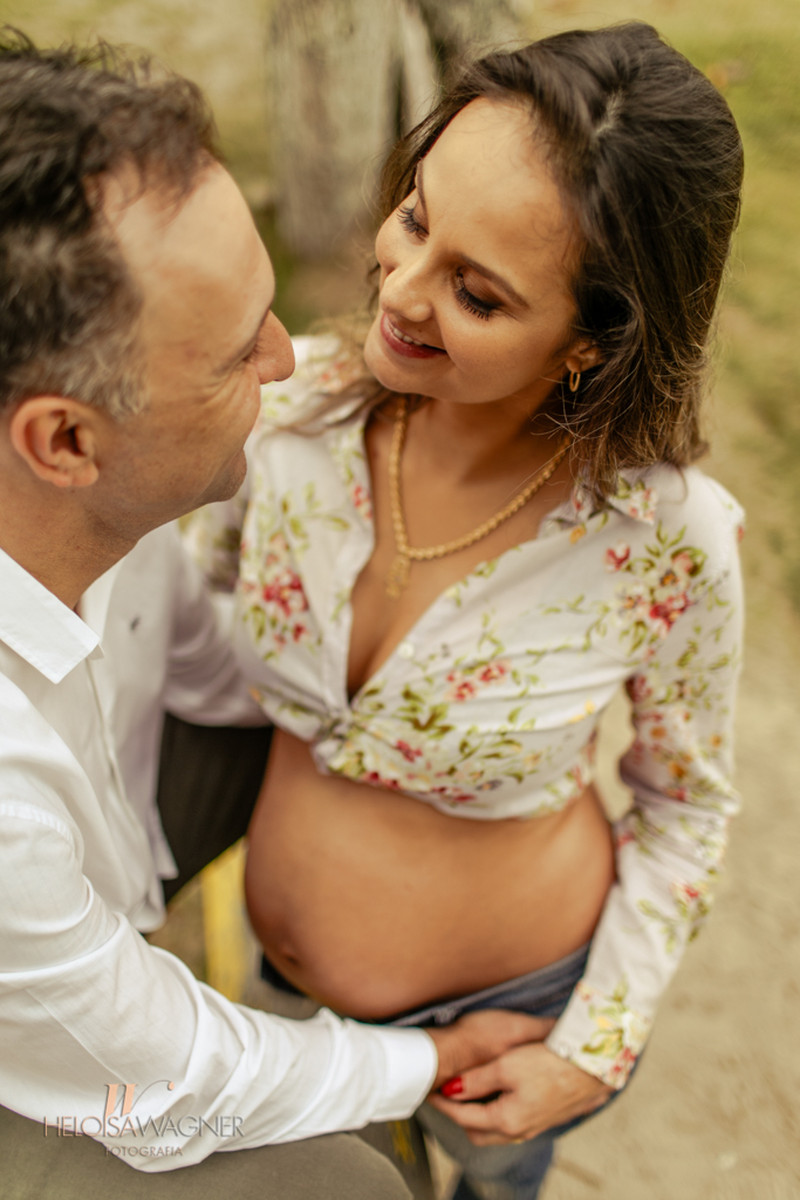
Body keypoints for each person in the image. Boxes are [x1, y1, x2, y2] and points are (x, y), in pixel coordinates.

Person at [186, 21, 746, 1200]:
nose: (397, 289)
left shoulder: (666, 543)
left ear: (594, 343)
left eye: (476, 293)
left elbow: (681, 809)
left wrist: (586, 1055)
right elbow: (195, 631)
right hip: (282, 1009)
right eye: (414, 217)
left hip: (505, 1035)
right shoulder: (285, 417)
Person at [0, 29, 548, 1199]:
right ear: (66, 441)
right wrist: (423, 1062)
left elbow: (226, 673)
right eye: (230, 354)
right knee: (339, 1188)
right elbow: (175, 1072)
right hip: (36, 1053)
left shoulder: (80, 494)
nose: (284, 360)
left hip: (85, 889)